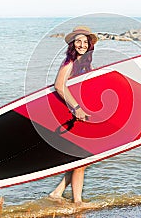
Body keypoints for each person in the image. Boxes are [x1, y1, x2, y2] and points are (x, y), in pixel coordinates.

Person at [48, 26, 98, 205]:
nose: (82, 45)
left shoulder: (85, 63)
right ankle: (77, 201)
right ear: (72, 44)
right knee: (81, 159)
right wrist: (76, 107)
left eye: (85, 42)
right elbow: (59, 85)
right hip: (71, 114)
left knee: (82, 160)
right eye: (78, 41)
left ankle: (57, 192)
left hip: (80, 115)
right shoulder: (69, 62)